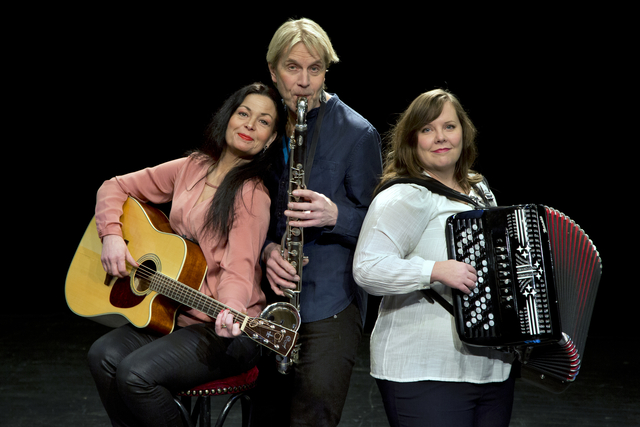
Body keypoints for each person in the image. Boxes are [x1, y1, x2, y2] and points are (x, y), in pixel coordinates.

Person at [87, 82, 285, 427]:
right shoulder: (191, 167)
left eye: (263, 121)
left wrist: (233, 309)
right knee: (102, 356)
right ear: (228, 119)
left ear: (270, 140)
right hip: (174, 313)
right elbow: (114, 186)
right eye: (243, 113)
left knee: (136, 375)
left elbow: (239, 267)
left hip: (226, 330)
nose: (250, 125)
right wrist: (112, 236)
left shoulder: (252, 194)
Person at [352, 88, 516, 427]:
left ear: (464, 132)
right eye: (427, 129)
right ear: (412, 141)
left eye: (449, 127)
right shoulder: (405, 195)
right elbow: (367, 268)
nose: (440, 137)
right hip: (423, 369)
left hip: (491, 368)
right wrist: (434, 270)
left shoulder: (480, 190)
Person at [254, 17, 383, 427]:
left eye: (316, 69)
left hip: (331, 302)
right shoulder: (258, 128)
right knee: (264, 417)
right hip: (267, 298)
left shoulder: (358, 133)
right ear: (273, 72)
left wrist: (335, 215)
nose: (305, 81)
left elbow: (383, 227)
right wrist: (266, 250)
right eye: (293, 68)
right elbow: (242, 214)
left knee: (313, 418)